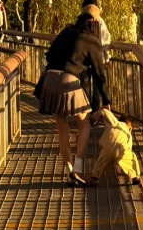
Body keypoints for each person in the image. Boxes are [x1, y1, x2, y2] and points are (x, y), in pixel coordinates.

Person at [38, 12, 110, 185]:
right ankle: (77, 168)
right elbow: (100, 75)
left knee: (63, 129)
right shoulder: (91, 40)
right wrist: (106, 101)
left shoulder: (66, 31)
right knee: (84, 123)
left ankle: (69, 171)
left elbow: (49, 55)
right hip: (68, 81)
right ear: (93, 24)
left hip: (50, 80)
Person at [88, 106, 141, 186]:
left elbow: (106, 112)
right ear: (130, 128)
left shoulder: (115, 123)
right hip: (121, 149)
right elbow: (129, 148)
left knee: (100, 163)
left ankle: (94, 178)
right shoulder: (125, 131)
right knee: (130, 160)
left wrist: (99, 112)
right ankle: (134, 177)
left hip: (106, 148)